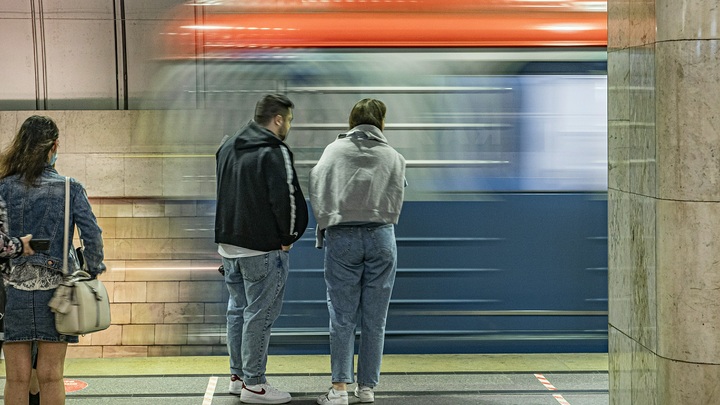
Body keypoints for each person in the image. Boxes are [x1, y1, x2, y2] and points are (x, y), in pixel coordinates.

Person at [0, 115, 106, 405]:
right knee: (51, 376)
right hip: (57, 294)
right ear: (54, 146)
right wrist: (92, 269)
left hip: (13, 292)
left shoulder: (3, 187)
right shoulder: (70, 188)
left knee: (17, 378)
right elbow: (92, 236)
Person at [310, 99, 406, 405]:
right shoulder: (393, 155)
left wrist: (327, 222)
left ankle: (339, 389)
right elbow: (400, 187)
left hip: (343, 237)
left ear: (352, 120)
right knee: (375, 319)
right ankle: (366, 389)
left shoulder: (333, 151)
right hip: (381, 237)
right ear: (381, 122)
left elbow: (317, 184)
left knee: (342, 316)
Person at [215, 94, 308, 404]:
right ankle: (255, 384)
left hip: (229, 246)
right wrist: (288, 236)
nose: (289, 127)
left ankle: (238, 376)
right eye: (289, 120)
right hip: (262, 249)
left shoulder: (227, 146)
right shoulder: (274, 150)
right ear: (278, 119)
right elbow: (287, 199)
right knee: (260, 315)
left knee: (237, 311)